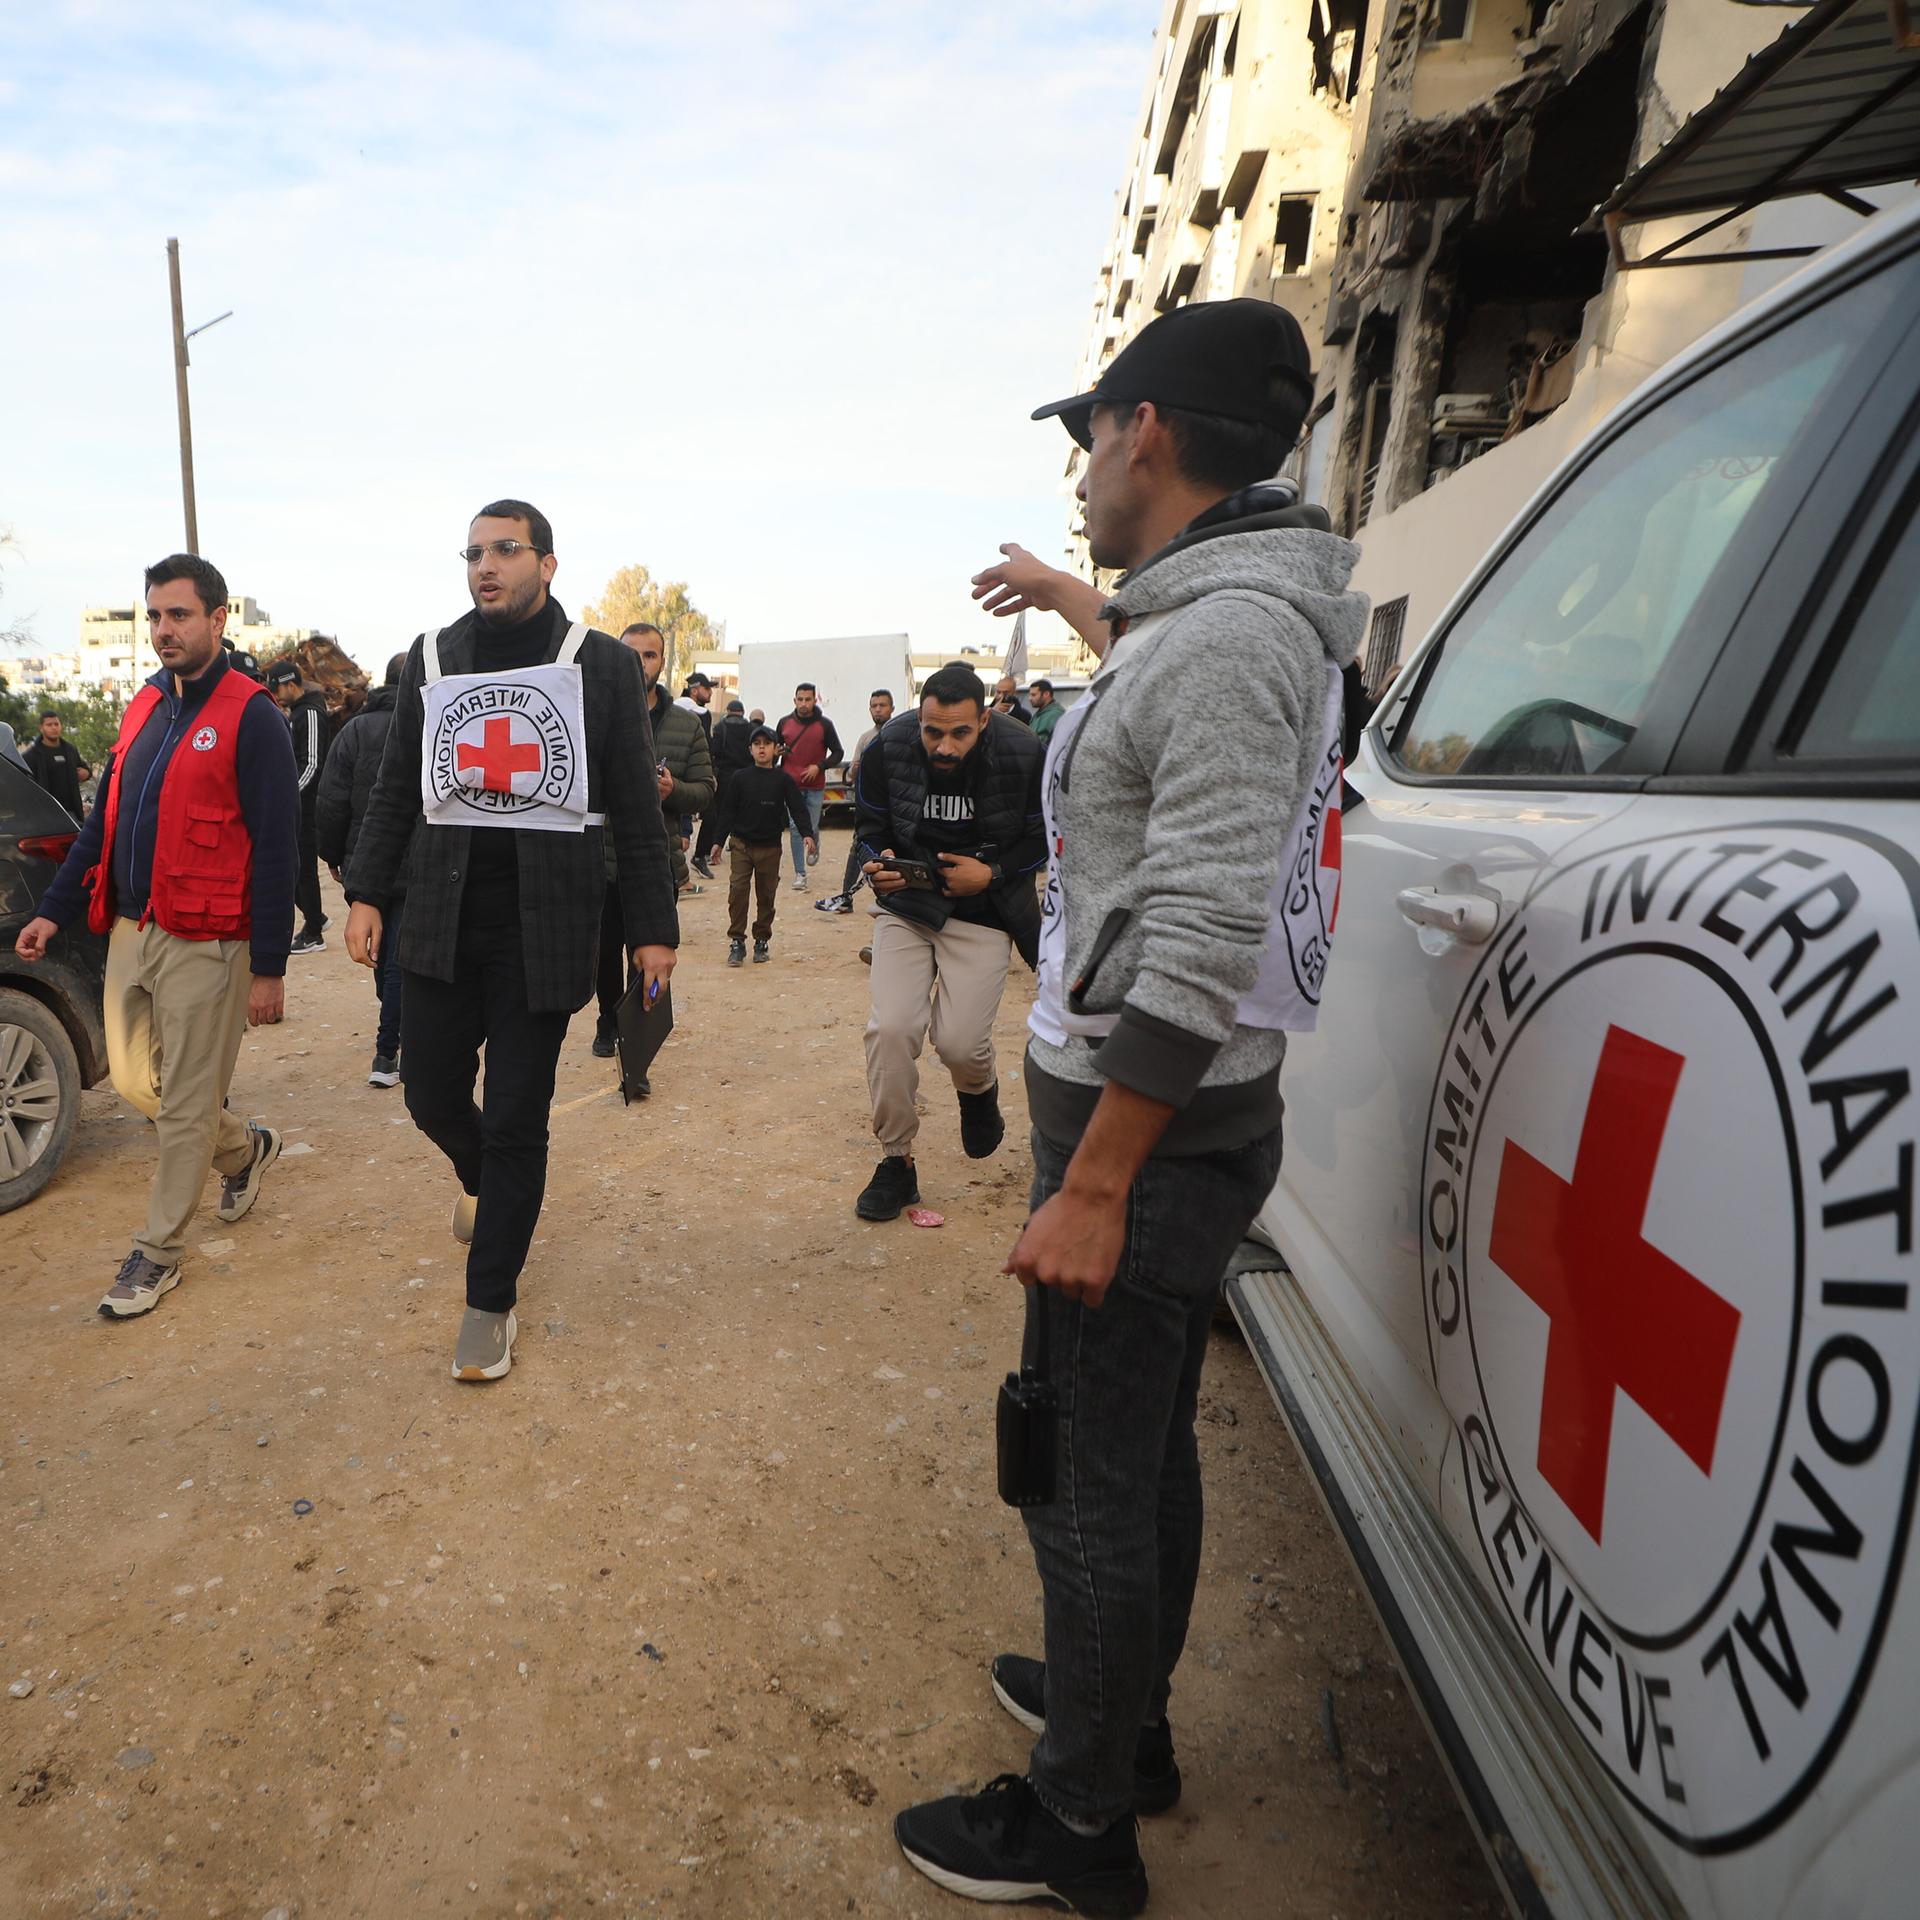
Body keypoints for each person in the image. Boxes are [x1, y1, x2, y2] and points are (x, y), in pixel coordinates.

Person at [892, 300, 1363, 1916]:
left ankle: (1082, 1818)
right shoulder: (1208, 617)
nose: (1084, 470)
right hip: (1160, 1127)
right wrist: (1078, 600)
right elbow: (1166, 716)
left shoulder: (1229, 641)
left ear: (1143, 433)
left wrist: (1094, 1182)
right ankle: (1127, 1724)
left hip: (1148, 1144)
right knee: (1136, 1442)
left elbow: (1213, 928)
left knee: (1083, 1475)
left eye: (1091, 437)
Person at [343, 499, 678, 1384]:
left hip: (548, 930)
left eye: (504, 550)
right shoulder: (434, 656)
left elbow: (639, 812)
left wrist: (652, 931)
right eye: (473, 553)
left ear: (548, 563)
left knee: (520, 1118)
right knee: (429, 1093)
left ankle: (489, 1301)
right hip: (441, 921)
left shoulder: (601, 665)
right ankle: (487, 1181)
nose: (485, 566)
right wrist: (367, 892)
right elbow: (392, 791)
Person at [14, 552, 297, 1318]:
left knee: (185, 1102)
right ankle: (244, 1150)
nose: (163, 630)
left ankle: (157, 1251)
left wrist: (268, 966)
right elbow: (102, 827)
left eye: (178, 615)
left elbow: (277, 846)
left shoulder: (253, 716)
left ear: (217, 619)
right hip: (132, 931)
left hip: (211, 941)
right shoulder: (142, 708)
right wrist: (53, 910)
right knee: (141, 1084)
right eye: (155, 616)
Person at [853, 663, 1045, 1223]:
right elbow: (870, 825)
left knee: (959, 1043)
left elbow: (1042, 837)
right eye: (933, 731)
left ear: (984, 719)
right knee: (890, 1029)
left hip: (985, 912)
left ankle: (978, 1091)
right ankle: (897, 1163)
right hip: (908, 908)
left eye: (959, 732)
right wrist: (878, 862)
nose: (943, 744)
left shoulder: (1023, 751)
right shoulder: (889, 745)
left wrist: (991, 872)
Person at [592, 622, 714, 1079]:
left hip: (657, 861)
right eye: (631, 653)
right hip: (599, 859)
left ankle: (636, 1053)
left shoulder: (687, 723)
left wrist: (673, 789)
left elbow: (705, 790)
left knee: (647, 957)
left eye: (650, 655)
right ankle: (607, 1021)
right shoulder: (593, 711)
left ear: (663, 663)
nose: (640, 663)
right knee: (603, 955)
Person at [317, 651, 408, 1087]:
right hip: (413, 864)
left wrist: (334, 856)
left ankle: (388, 1048)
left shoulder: (354, 731)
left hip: (362, 860)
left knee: (384, 957)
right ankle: (389, 1051)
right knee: (395, 962)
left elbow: (331, 803)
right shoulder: (425, 728)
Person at [712, 725, 813, 966]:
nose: (761, 748)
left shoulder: (783, 780)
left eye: (766, 743)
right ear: (750, 749)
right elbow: (727, 811)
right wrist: (717, 841)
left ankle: (761, 940)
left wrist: (808, 834)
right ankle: (737, 941)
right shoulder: (740, 778)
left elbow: (798, 808)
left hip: (769, 847)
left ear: (776, 749)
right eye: (756, 744)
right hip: (741, 844)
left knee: (766, 895)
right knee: (738, 891)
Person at [265, 656, 332, 955]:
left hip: (307, 806)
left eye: (278, 691)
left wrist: (288, 795)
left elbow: (312, 764)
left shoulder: (311, 714)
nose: (276, 697)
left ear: (292, 685)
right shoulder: (297, 713)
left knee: (303, 869)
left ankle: (314, 931)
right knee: (293, 868)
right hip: (297, 803)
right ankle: (315, 917)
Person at [820, 688, 896, 910]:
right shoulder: (866, 738)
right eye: (874, 705)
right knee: (859, 848)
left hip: (896, 806)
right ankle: (846, 897)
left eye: (882, 705)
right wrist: (856, 768)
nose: (878, 709)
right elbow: (852, 776)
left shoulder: (901, 734)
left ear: (892, 708)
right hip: (871, 807)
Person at [775, 682, 843, 890]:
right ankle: (800, 873)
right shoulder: (784, 723)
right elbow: (775, 749)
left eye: (808, 699)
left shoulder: (825, 725)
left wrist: (819, 766)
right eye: (800, 699)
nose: (804, 704)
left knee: (810, 827)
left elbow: (838, 752)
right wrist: (777, 753)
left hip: (815, 786)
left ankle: (815, 839)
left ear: (815, 700)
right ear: (794, 700)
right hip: (791, 785)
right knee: (796, 828)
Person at [694, 696, 752, 879]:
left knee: (717, 813)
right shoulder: (751, 729)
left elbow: (715, 751)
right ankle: (741, 850)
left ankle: (709, 849)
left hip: (725, 776)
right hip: (745, 776)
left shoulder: (720, 728)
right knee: (742, 813)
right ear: (742, 712)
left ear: (727, 711)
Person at [20, 711, 91, 819]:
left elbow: (85, 769)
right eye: (49, 725)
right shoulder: (31, 756)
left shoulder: (70, 750)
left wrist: (86, 773)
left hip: (73, 813)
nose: (54, 728)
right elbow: (24, 786)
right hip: (46, 816)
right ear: (41, 728)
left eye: (56, 724)